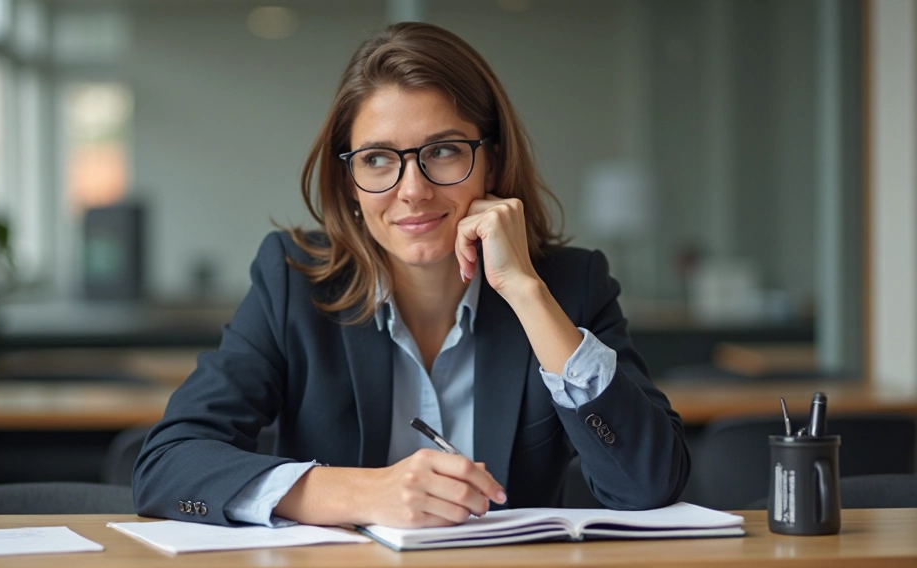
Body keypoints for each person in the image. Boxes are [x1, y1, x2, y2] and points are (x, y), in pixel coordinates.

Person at [133, 22, 690, 529]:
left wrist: (526, 294)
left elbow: (647, 484)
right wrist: (361, 493)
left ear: (491, 162)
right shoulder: (292, 281)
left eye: (443, 151)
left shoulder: (568, 285)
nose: (412, 190)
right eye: (377, 159)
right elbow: (168, 466)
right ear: (349, 180)